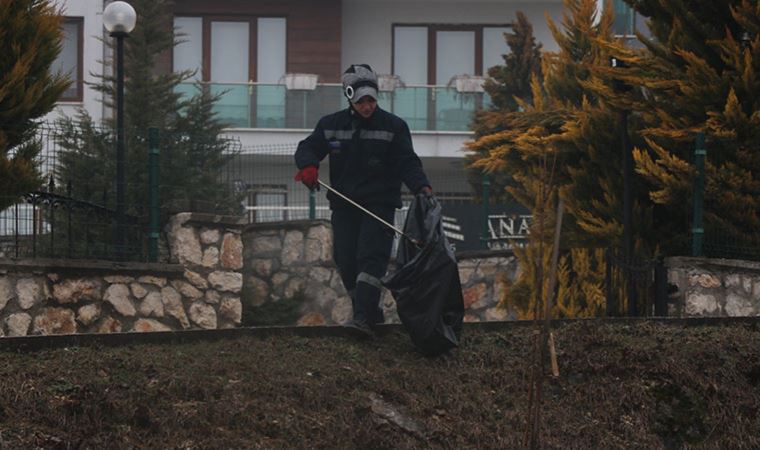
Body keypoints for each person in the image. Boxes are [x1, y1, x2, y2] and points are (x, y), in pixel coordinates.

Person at [294, 64, 433, 337]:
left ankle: (362, 318)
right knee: (346, 259)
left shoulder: (394, 127)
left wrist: (422, 187)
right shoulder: (331, 125)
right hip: (345, 205)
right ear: (349, 97)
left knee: (371, 258)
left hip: (379, 205)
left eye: (371, 100)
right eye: (361, 101)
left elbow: (408, 163)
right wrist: (309, 166)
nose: (367, 106)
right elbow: (308, 147)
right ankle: (368, 311)